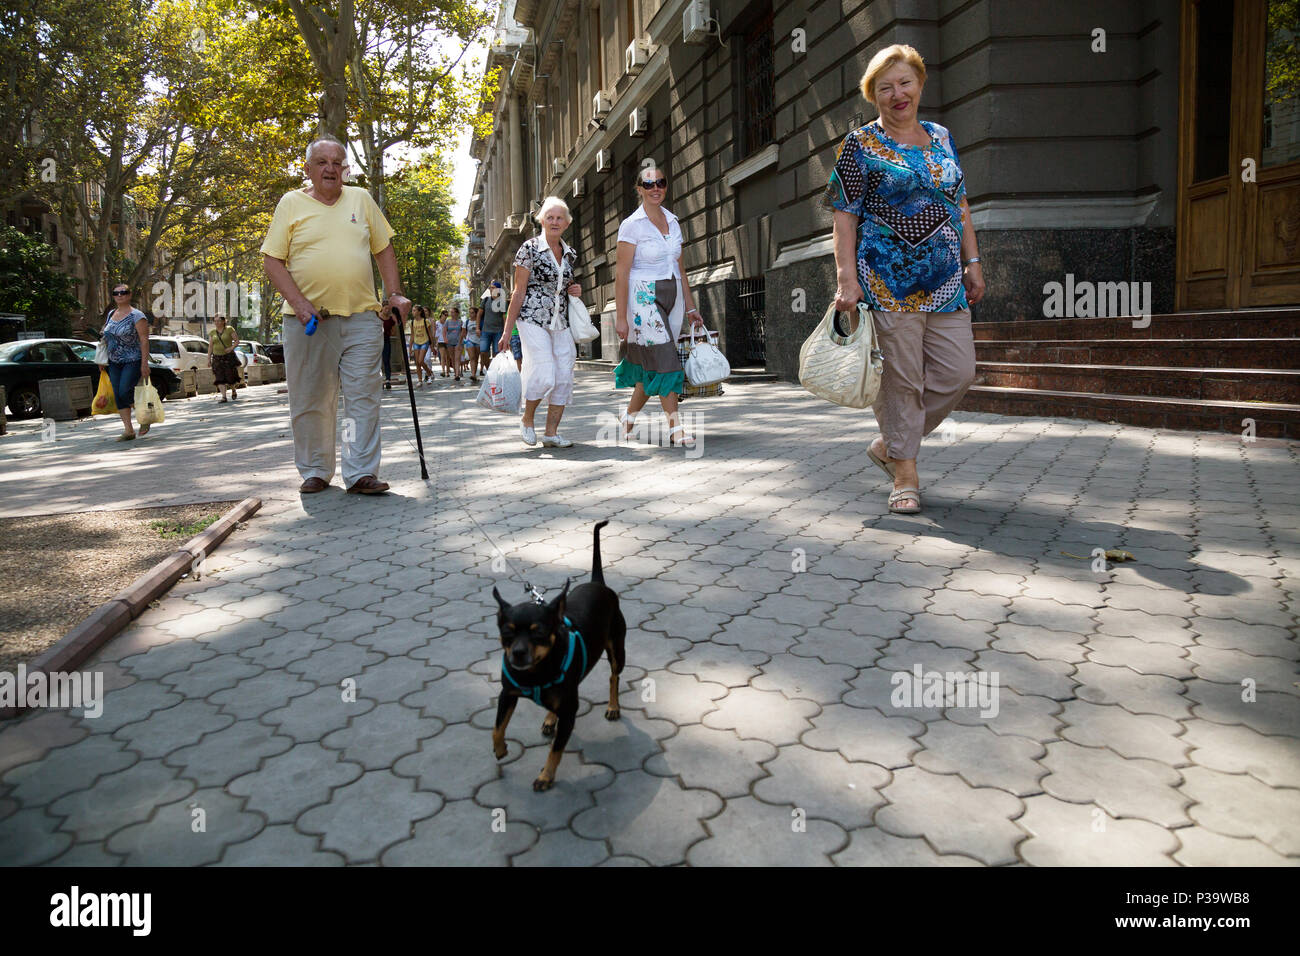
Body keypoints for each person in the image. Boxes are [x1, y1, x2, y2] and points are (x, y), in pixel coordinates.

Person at [826, 44, 984, 515]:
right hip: (887, 282)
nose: (898, 94)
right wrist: (846, 280)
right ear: (872, 94)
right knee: (901, 381)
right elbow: (844, 216)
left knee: (959, 371)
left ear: (920, 84)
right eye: (885, 87)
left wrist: (973, 262)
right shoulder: (859, 145)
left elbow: (960, 205)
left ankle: (890, 444)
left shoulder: (941, 136)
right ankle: (906, 472)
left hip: (947, 282)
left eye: (905, 83)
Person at [261, 135, 410, 495]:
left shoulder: (360, 198)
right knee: (312, 399)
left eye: (337, 163)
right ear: (308, 168)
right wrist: (298, 303)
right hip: (309, 323)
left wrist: (394, 294)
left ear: (345, 168)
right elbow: (272, 260)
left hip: (361, 317)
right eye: (322, 162)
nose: (330, 169)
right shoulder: (291, 203)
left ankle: (359, 472)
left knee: (361, 397)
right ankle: (316, 469)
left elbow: (384, 248)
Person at [613, 166, 705, 448]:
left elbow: (681, 267)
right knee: (666, 359)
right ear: (639, 189)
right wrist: (620, 317)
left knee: (651, 365)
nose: (656, 188)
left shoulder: (673, 221)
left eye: (661, 183)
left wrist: (691, 307)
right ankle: (675, 428)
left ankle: (626, 421)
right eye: (648, 184)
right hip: (644, 298)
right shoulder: (632, 225)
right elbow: (622, 273)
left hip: (672, 295)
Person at [498, 196, 582, 447]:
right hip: (532, 318)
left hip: (560, 321)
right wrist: (506, 331)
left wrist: (574, 289)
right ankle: (527, 419)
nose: (555, 222)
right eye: (550, 217)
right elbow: (518, 291)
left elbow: (564, 285)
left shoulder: (569, 253)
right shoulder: (529, 249)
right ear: (542, 221)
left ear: (567, 223)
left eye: (559, 218)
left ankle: (551, 433)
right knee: (545, 373)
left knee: (564, 375)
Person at [100, 282, 153, 441]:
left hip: (133, 359)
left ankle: (145, 414)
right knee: (118, 395)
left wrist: (144, 363)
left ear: (129, 295)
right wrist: (101, 359)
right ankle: (129, 430)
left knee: (124, 391)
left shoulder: (137, 315)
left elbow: (144, 340)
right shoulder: (110, 314)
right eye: (116, 293)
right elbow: (105, 337)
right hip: (114, 361)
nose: (120, 295)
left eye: (123, 292)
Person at [209, 315, 240, 403]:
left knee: (230, 376)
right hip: (216, 357)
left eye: (218, 321)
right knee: (219, 377)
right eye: (215, 321)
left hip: (228, 357)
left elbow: (237, 341)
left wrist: (231, 348)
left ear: (223, 321)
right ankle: (224, 397)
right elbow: (210, 346)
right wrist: (208, 359)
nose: (216, 323)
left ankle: (233, 389)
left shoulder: (229, 329)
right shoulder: (212, 332)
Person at [478, 280, 506, 374]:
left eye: (493, 287)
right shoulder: (485, 300)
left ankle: (495, 372)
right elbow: (479, 314)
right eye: (490, 287)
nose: (491, 289)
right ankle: (489, 369)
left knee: (496, 353)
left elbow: (504, 317)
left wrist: (505, 331)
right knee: (483, 351)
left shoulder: (502, 301)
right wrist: (478, 328)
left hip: (498, 331)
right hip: (486, 331)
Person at [408, 306, 432, 387]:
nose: (413, 312)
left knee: (421, 360)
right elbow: (412, 335)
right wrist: (410, 347)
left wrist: (432, 346)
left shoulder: (426, 321)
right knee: (417, 363)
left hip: (425, 342)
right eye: (412, 310)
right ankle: (420, 380)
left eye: (414, 310)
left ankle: (429, 373)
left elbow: (429, 334)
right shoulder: (412, 322)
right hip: (416, 343)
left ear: (419, 312)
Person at [445, 306, 464, 382]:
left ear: (457, 313)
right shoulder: (448, 321)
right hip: (449, 342)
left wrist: (461, 341)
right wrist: (445, 339)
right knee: (452, 358)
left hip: (458, 342)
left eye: (453, 312)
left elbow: (463, 332)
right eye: (451, 312)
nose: (451, 314)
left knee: (457, 358)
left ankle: (457, 375)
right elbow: (444, 331)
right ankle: (456, 372)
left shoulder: (460, 322)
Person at [463, 307, 480, 384]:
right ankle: (473, 374)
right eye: (470, 312)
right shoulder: (466, 322)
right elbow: (464, 333)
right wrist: (465, 341)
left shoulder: (479, 321)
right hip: (469, 341)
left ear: (476, 313)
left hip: (478, 341)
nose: (471, 314)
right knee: (472, 358)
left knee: (476, 359)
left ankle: (475, 374)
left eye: (472, 312)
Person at [381, 304, 396, 389]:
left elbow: (394, 332)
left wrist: (389, 332)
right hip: (377, 341)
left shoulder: (391, 320)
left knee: (386, 360)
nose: (387, 310)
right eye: (385, 308)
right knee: (377, 360)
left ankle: (387, 380)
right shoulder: (377, 317)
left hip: (386, 341)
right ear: (382, 308)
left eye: (388, 309)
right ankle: (378, 379)